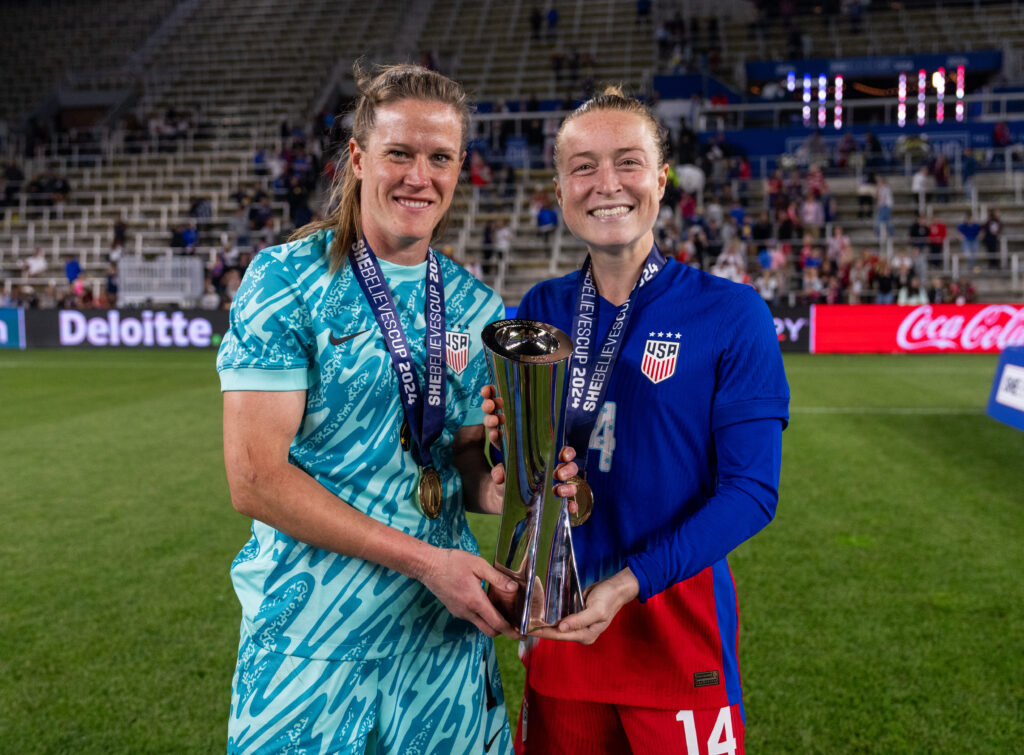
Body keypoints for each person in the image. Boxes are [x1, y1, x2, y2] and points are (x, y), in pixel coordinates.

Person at [216, 64, 526, 755]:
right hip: (310, 643)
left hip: (440, 644)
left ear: (459, 167)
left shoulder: (475, 303)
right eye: (400, 153)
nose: (420, 175)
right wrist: (426, 561)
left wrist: (506, 483)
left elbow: (463, 462)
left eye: (439, 157)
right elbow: (255, 478)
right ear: (359, 158)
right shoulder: (286, 280)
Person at [483, 87, 789, 754]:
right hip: (562, 646)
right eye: (583, 166)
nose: (606, 184)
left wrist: (629, 583)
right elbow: (528, 479)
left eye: (628, 161)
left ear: (661, 178)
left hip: (678, 647)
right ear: (561, 188)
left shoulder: (733, 314)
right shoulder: (540, 305)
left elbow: (751, 493)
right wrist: (503, 443)